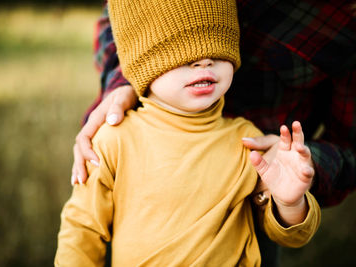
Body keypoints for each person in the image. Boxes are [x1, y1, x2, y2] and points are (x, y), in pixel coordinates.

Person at [55, 0, 321, 265]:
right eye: (180, 51)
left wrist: (289, 203)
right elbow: (82, 232)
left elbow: (293, 236)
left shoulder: (248, 142)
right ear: (140, 61)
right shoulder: (115, 140)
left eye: (217, 47)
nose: (204, 60)